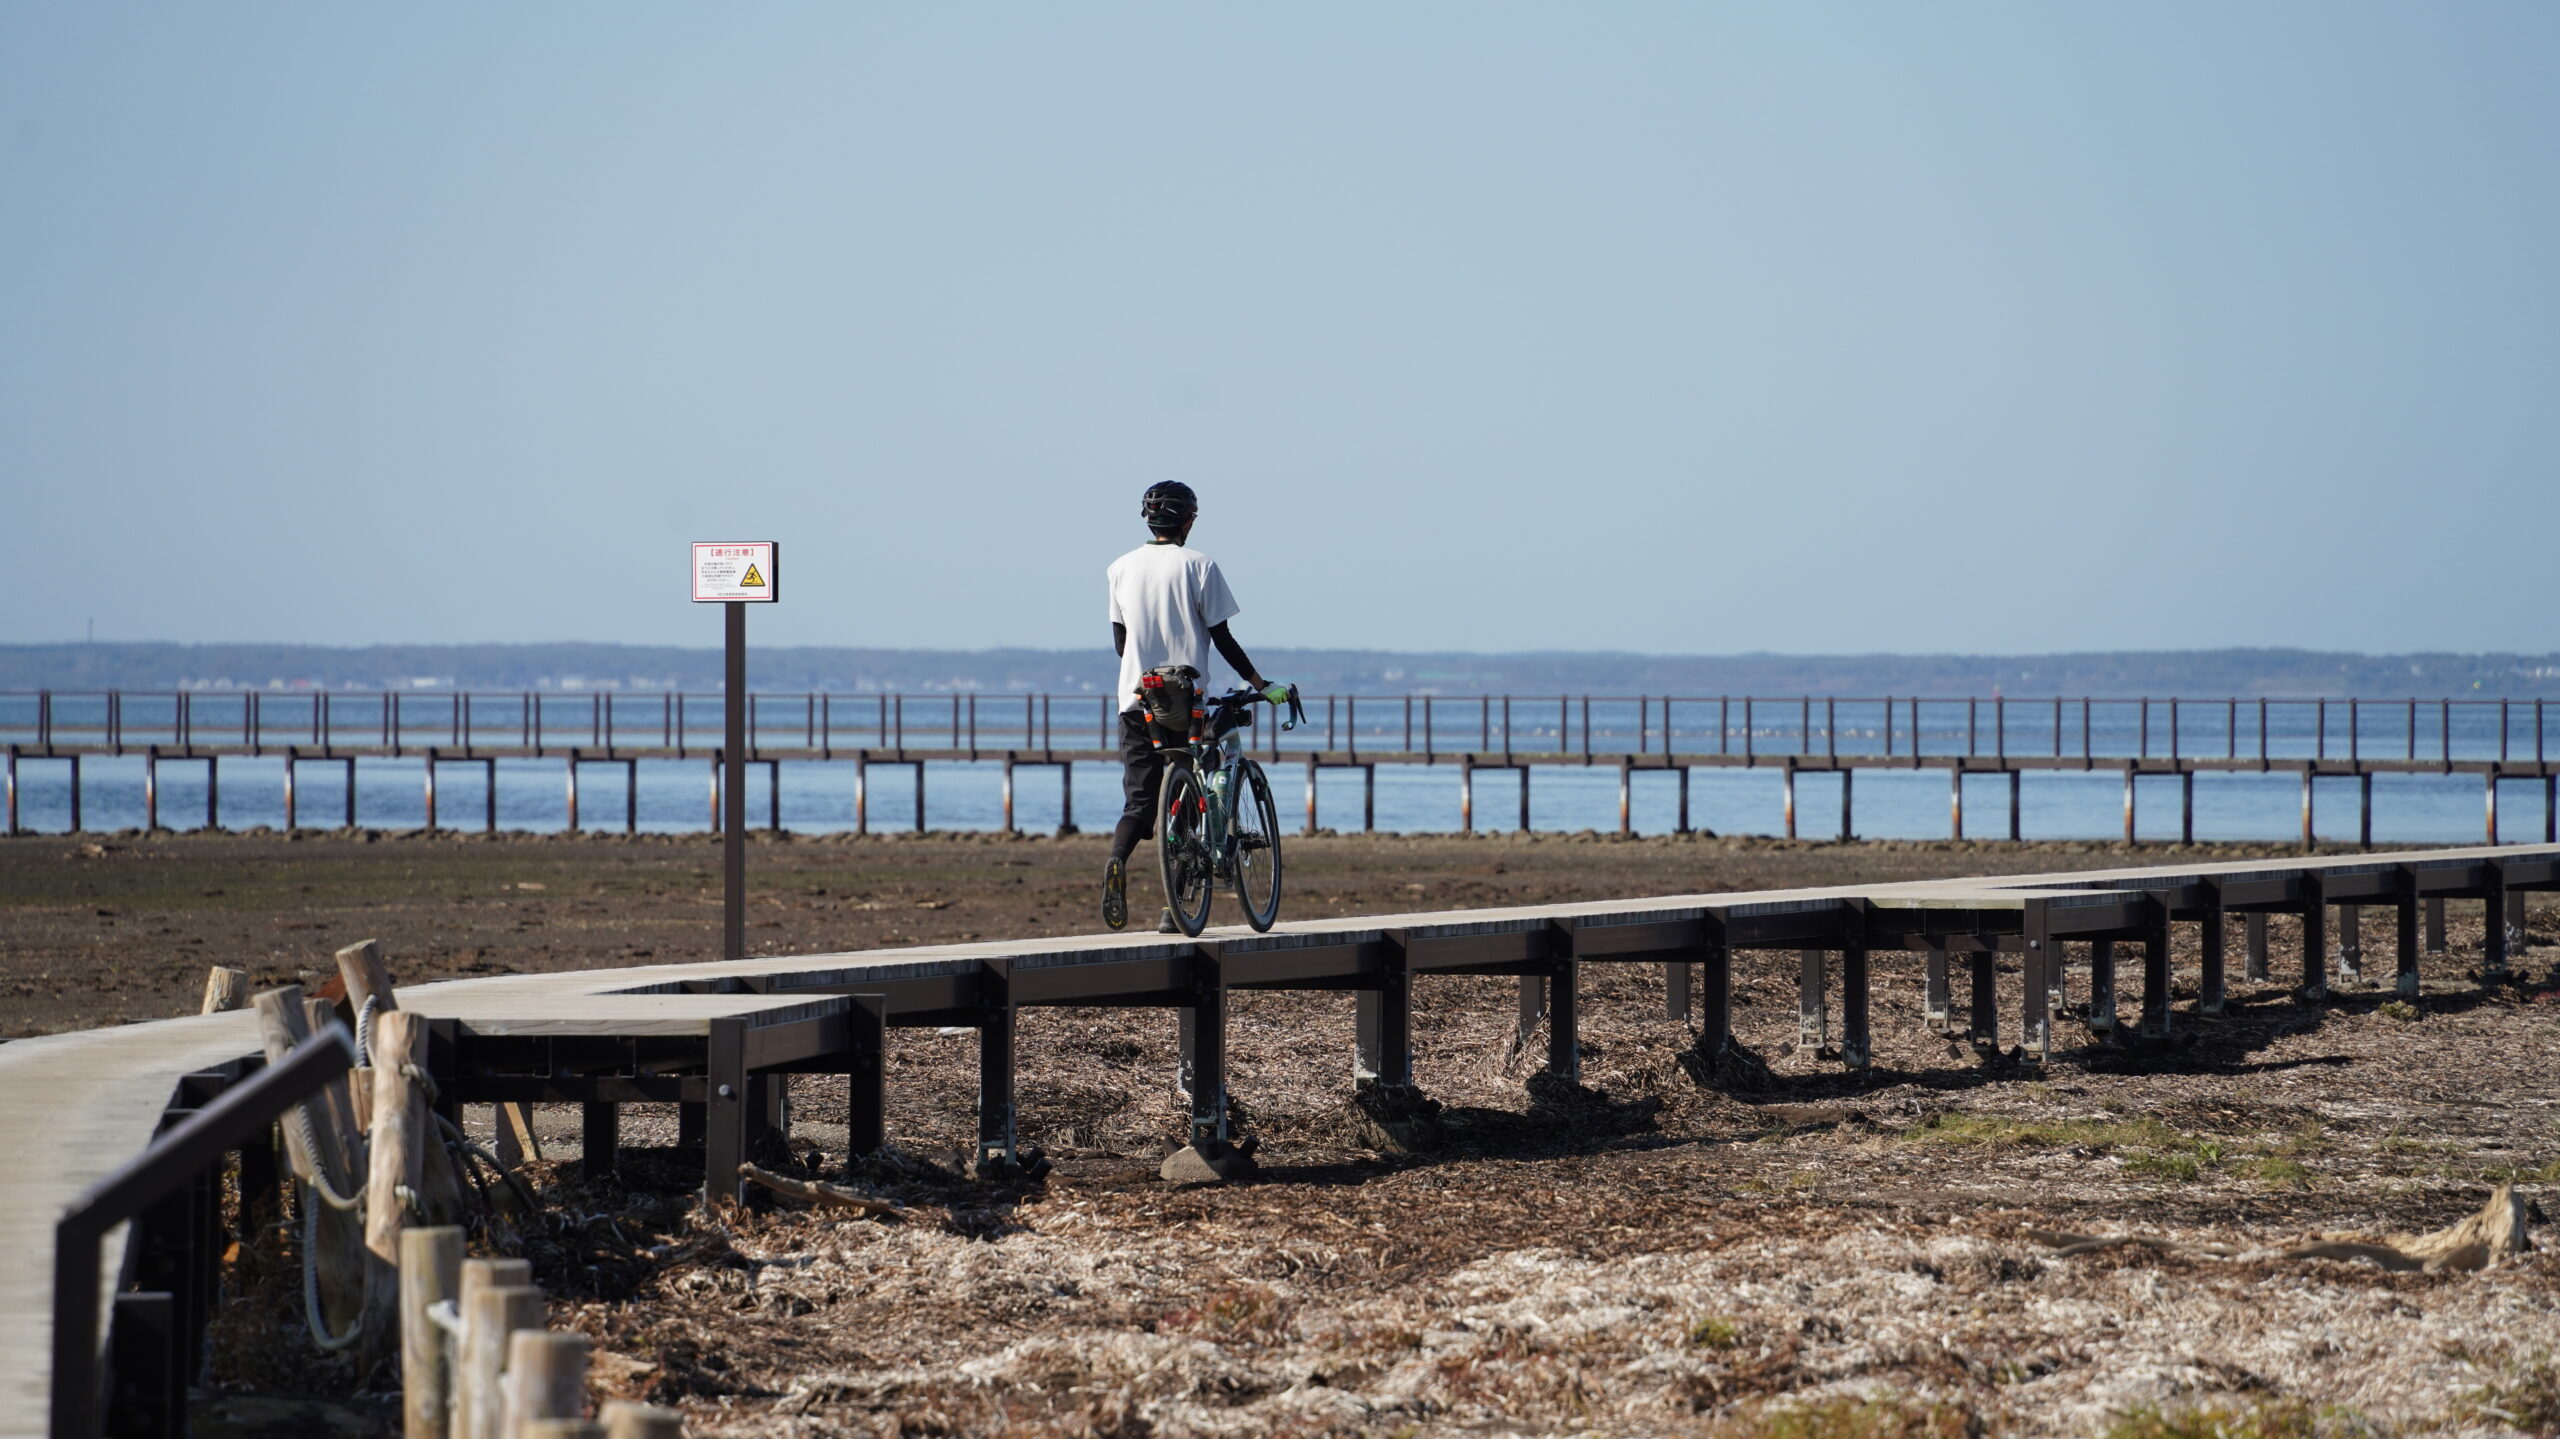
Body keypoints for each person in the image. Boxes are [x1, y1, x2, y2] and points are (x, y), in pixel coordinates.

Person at [1102, 481, 1285, 932]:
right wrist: (1261, 683)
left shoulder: (1119, 568)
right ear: (1187, 520)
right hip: (1187, 702)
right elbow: (1222, 638)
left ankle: (1116, 860)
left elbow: (1121, 641)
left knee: (1141, 803)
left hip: (1135, 699)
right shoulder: (1200, 566)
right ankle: (1175, 906)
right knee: (1185, 795)